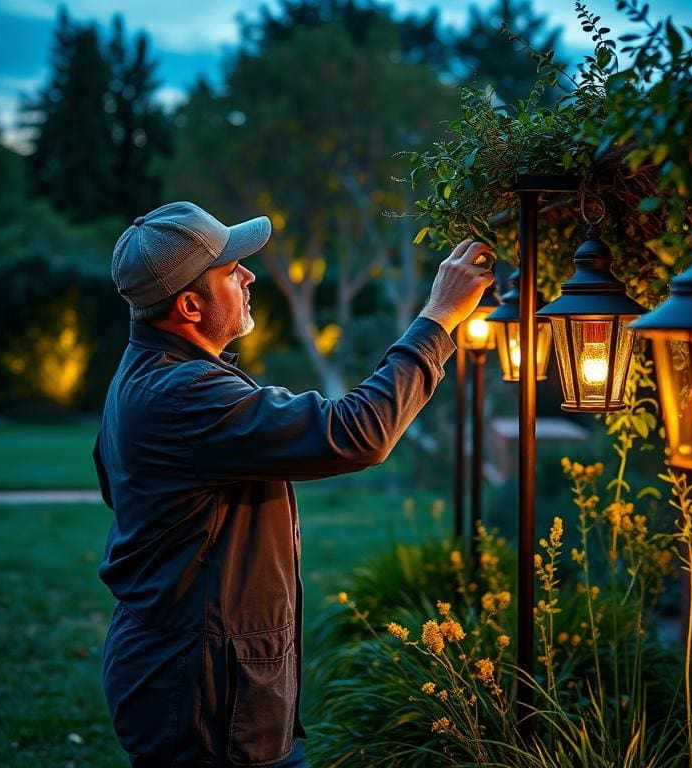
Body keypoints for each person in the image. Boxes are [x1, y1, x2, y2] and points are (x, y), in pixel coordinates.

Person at [94, 200, 494, 767]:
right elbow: (358, 433)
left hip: (188, 677)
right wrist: (439, 317)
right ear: (188, 304)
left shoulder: (145, 373)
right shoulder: (183, 394)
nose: (250, 275)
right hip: (206, 699)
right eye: (232, 271)